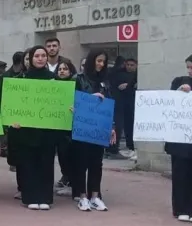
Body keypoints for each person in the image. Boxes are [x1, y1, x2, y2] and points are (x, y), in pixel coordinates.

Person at [10, 46, 57, 210]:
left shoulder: (54, 79)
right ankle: (29, 197)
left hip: (47, 130)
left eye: (43, 55)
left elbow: (60, 103)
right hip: (26, 131)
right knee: (28, 164)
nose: (40, 58)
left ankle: (45, 197)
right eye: (37, 55)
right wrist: (13, 119)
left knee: (45, 163)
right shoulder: (21, 79)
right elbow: (12, 104)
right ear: (30, 58)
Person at [72, 50, 116, 212]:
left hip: (99, 128)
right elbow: (73, 101)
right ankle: (82, 196)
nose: (101, 64)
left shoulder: (105, 82)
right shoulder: (78, 79)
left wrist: (112, 127)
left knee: (97, 163)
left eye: (103, 62)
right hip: (82, 129)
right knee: (81, 162)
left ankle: (95, 196)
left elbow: (110, 104)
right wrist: (92, 97)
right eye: (98, 61)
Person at [167, 57, 192, 222]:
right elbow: (168, 102)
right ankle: (181, 208)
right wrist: (179, 92)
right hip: (180, 141)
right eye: (188, 67)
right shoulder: (179, 82)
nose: (190, 71)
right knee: (180, 174)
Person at [53, 59, 77, 199]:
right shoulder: (53, 86)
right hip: (57, 127)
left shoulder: (75, 85)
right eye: (59, 69)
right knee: (62, 156)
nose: (62, 71)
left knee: (69, 156)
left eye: (65, 69)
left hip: (71, 128)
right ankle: (66, 178)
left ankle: (73, 184)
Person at [109, 56, 138, 159]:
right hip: (120, 104)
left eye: (132, 65)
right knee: (119, 126)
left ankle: (132, 147)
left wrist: (129, 85)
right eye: (128, 65)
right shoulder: (119, 74)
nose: (129, 67)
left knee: (130, 127)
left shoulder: (137, 76)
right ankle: (114, 148)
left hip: (133, 104)